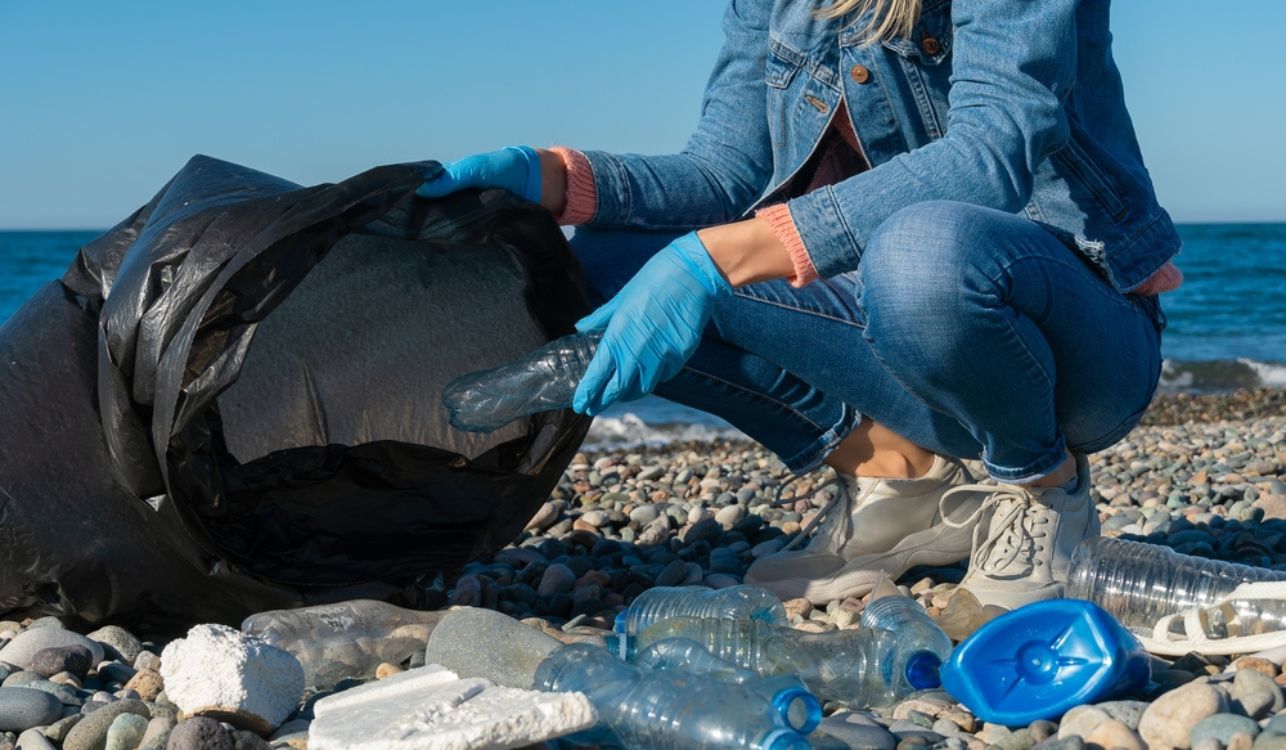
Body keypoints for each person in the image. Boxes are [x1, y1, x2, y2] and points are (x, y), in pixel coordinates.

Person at [417, 0, 1181, 610]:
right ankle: (900, 479)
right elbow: (723, 172)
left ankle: (1040, 488)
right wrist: (548, 177)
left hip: (1068, 333)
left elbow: (993, 150)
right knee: (610, 259)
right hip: (901, 325)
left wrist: (716, 258)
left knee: (917, 251)